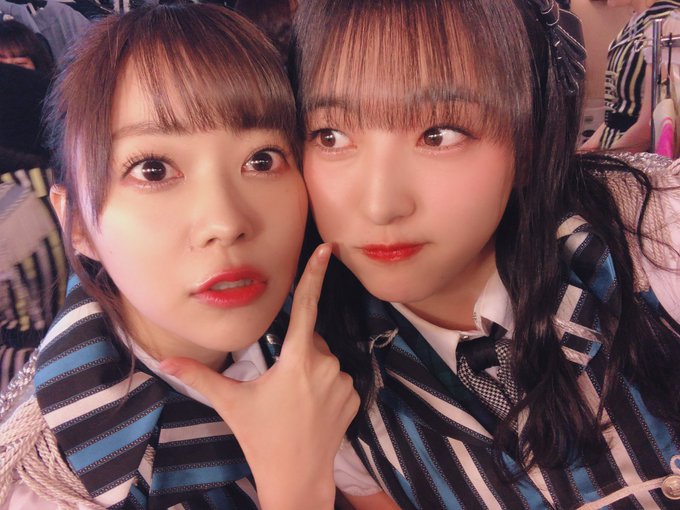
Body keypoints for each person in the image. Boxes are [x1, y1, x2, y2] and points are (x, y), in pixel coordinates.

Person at [282, 0, 677, 508]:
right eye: (331, 136)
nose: (380, 205)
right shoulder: (322, 388)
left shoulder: (651, 234)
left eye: (439, 134)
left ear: (529, 142)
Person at [0, 4, 358, 509]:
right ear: (78, 224)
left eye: (261, 160)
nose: (226, 221)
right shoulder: (50, 484)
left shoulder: (329, 340)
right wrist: (295, 484)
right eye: (153, 169)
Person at [582, 0, 680, 152]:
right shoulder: (635, 22)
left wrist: (608, 159)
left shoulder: (670, 22)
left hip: (638, 159)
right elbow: (614, 115)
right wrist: (584, 153)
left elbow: (649, 127)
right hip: (615, 150)